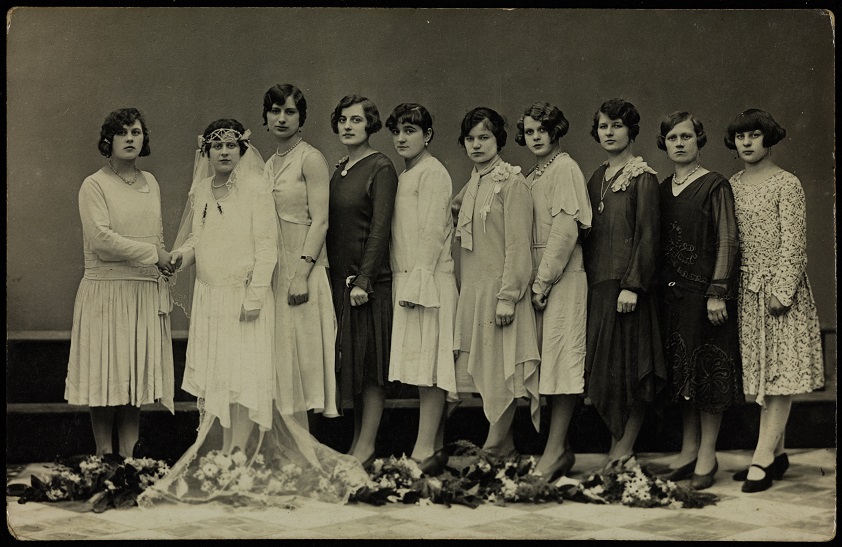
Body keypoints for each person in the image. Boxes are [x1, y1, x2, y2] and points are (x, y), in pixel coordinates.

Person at [140, 120, 367, 507]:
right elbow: (199, 238)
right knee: (220, 378)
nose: (224, 152)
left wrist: (254, 297)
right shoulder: (202, 191)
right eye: (217, 147)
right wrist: (180, 258)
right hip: (211, 298)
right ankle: (228, 454)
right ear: (206, 154)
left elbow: (267, 249)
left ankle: (238, 456)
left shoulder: (256, 190)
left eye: (231, 146)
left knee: (244, 379)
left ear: (242, 150)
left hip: (244, 299)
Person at [64, 107, 175, 458]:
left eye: (137, 132)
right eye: (123, 132)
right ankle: (103, 456)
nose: (130, 138)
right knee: (105, 373)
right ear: (108, 140)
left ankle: (128, 459)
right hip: (106, 292)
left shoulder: (151, 182)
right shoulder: (94, 184)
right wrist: (153, 253)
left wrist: (164, 260)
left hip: (142, 290)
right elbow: (101, 240)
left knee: (132, 376)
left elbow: (155, 235)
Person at [725, 109, 824, 493]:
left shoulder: (787, 183)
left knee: (780, 373)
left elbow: (794, 244)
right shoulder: (732, 184)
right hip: (746, 290)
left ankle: (762, 457)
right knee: (762, 372)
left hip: (780, 291)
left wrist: (782, 292)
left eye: (754, 135)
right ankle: (777, 453)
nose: (747, 143)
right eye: (740, 137)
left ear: (769, 139)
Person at [656, 111, 743, 490]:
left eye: (686, 136)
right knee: (684, 376)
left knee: (708, 375)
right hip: (673, 299)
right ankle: (689, 450)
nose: (679, 143)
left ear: (698, 140)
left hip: (707, 299)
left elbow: (728, 240)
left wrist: (717, 291)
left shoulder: (714, 185)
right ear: (664, 144)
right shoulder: (661, 189)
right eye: (672, 137)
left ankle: (708, 453)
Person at [582, 98, 667, 467]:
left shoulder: (642, 177)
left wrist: (632, 285)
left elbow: (649, 236)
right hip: (598, 288)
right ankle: (615, 447)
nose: (610, 133)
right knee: (606, 372)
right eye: (603, 126)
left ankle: (624, 449)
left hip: (627, 290)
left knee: (631, 370)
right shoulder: (597, 176)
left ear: (631, 130)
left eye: (617, 126)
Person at [451, 107, 541, 457]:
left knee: (501, 368)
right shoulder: (475, 181)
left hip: (500, 291)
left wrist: (508, 296)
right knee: (482, 369)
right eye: (470, 138)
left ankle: (495, 444)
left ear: (498, 140)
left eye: (484, 137)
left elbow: (518, 244)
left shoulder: (511, 181)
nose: (476, 144)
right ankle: (505, 446)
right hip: (474, 289)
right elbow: (461, 212)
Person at [516, 102, 592, 480]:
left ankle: (555, 449)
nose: (536, 137)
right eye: (529, 131)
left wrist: (542, 282)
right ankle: (558, 450)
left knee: (562, 363)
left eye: (542, 129)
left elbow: (565, 232)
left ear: (556, 130)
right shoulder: (533, 174)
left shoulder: (565, 168)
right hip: (538, 277)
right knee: (546, 364)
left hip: (561, 276)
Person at [325, 95, 399, 468]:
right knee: (351, 365)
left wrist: (364, 280)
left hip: (366, 285)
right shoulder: (340, 168)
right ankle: (357, 443)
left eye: (356, 120)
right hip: (339, 282)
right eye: (342, 120)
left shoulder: (380, 167)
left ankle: (367, 446)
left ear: (370, 125)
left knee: (370, 367)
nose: (348, 126)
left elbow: (380, 229)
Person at [385, 103, 459, 474]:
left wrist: (419, 282)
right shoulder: (409, 173)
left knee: (431, 369)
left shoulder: (433, 173)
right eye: (397, 131)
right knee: (422, 368)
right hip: (410, 277)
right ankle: (435, 447)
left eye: (410, 131)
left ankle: (424, 449)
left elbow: (431, 232)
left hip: (426, 281)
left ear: (427, 135)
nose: (402, 138)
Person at [263, 84, 339, 421]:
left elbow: (321, 222)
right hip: (276, 277)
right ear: (265, 117)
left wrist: (301, 275)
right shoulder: (268, 164)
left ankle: (304, 457)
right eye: (275, 111)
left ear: (301, 117)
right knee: (282, 368)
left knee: (303, 368)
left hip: (303, 274)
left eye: (289, 111)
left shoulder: (310, 159)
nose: (281, 118)